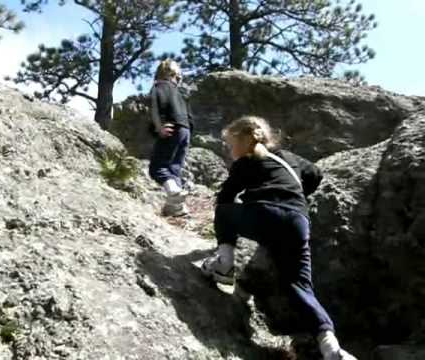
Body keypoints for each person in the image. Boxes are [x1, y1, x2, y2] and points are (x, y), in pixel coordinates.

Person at [201, 116, 357, 360]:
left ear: (243, 141)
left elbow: (225, 198)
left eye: (231, 144)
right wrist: (295, 193)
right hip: (298, 222)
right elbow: (316, 174)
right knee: (299, 286)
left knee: (224, 212)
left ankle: (224, 265)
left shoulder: (245, 163)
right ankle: (332, 347)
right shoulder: (289, 157)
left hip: (266, 213)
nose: (231, 150)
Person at [148, 59, 193, 217]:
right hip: (185, 130)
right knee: (174, 169)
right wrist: (188, 133)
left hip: (171, 128)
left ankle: (173, 192)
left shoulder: (158, 86)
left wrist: (158, 127)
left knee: (157, 168)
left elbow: (154, 107)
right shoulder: (179, 93)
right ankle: (177, 208)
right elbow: (189, 115)